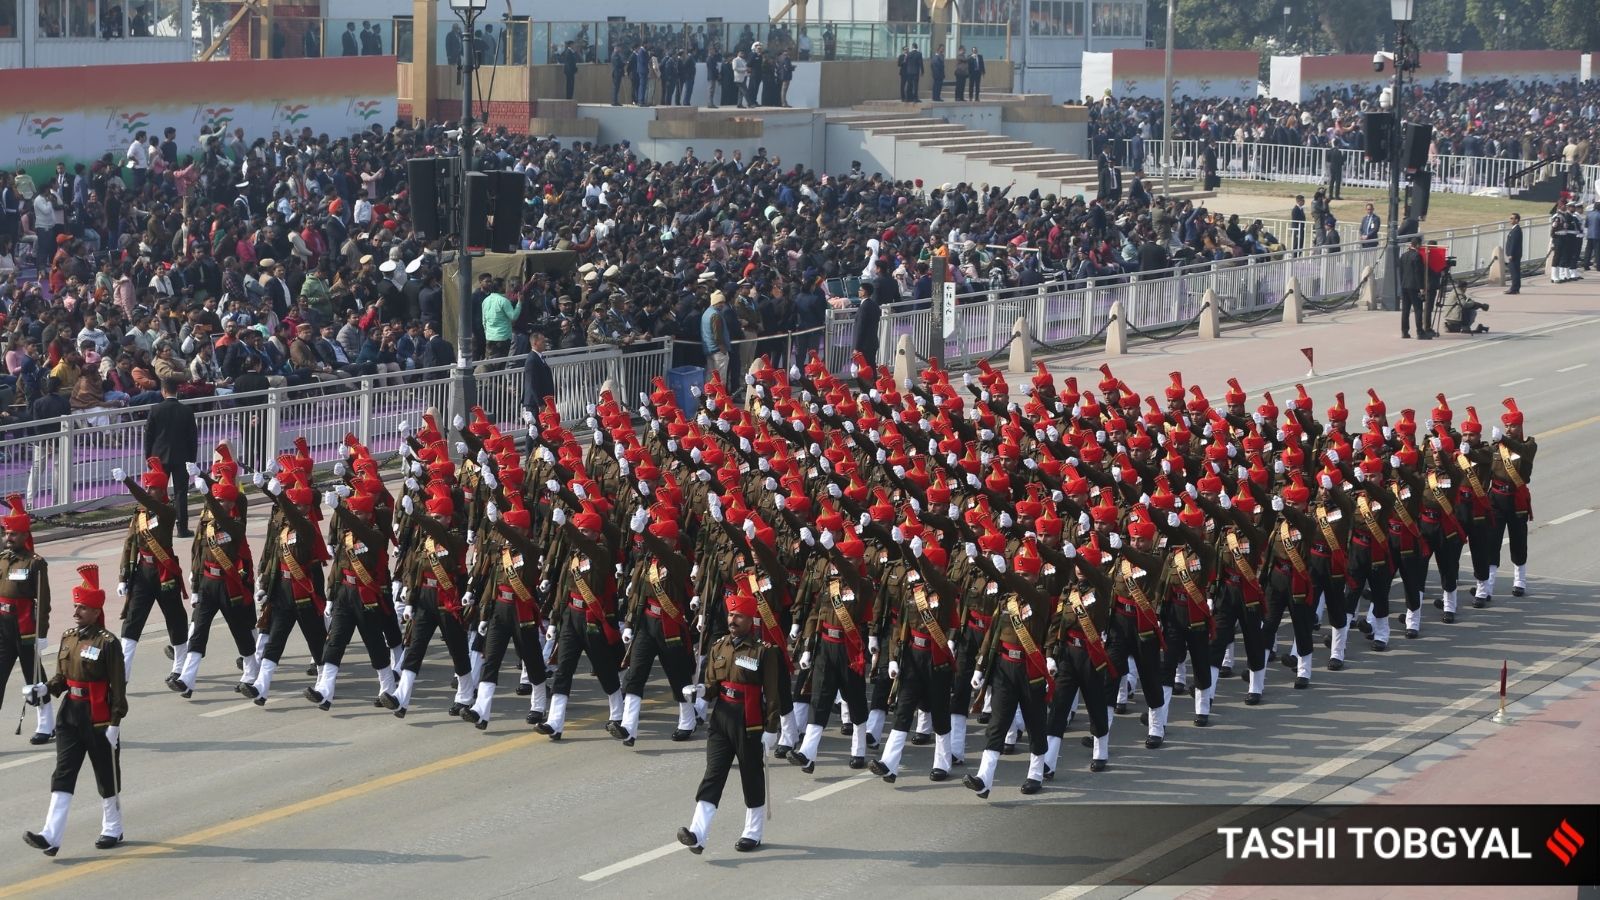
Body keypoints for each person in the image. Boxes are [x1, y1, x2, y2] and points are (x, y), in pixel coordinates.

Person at [23, 565, 127, 856]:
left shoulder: (108, 644)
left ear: (95, 610)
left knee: (106, 775)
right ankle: (51, 836)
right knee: (63, 773)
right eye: (75, 606)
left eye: (82, 607)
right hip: (70, 715)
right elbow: (60, 680)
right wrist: (43, 689)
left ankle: (113, 827)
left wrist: (116, 722)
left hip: (99, 717)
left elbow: (118, 688)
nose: (76, 612)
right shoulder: (69, 637)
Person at [676, 590, 781, 855]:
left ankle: (753, 832)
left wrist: (771, 728)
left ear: (751, 620)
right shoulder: (719, 646)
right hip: (722, 717)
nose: (732, 619)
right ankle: (698, 834)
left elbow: (772, 693)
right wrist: (700, 691)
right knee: (713, 774)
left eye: (739, 616)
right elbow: (713, 686)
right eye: (731, 614)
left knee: (751, 775)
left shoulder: (763, 652)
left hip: (750, 721)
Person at [0, 496, 54, 745]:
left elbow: (43, 603)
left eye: (13, 534)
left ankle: (46, 724)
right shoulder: (2, 559)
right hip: (3, 628)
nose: (8, 538)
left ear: (24, 535)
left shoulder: (35, 563)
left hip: (25, 629)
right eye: (6, 533)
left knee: (34, 679)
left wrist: (42, 634)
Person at [144, 377, 198, 537]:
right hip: (182, 457)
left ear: (163, 391)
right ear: (177, 391)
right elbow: (192, 438)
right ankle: (182, 528)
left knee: (156, 493)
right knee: (181, 493)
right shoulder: (187, 411)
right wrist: (192, 459)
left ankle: (155, 526)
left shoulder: (155, 409)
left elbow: (149, 437)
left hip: (159, 458)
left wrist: (149, 458)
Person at [701, 289, 732, 385]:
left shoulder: (706, 312)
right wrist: (723, 349)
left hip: (709, 349)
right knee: (720, 378)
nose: (723, 305)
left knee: (710, 376)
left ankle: (709, 397)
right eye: (720, 302)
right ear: (715, 302)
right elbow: (717, 335)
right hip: (718, 351)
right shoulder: (715, 315)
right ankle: (720, 397)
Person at [1399, 236, 1427, 339]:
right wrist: (1422, 287)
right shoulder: (1417, 256)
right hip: (1414, 286)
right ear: (1418, 245)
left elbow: (1401, 272)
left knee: (1405, 310)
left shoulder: (1403, 255)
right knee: (1418, 309)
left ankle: (1404, 331)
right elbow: (1418, 273)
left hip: (1404, 285)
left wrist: (1402, 283)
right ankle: (1420, 332)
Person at [521, 330, 554, 415]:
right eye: (542, 341)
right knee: (536, 428)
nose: (545, 343)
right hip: (534, 404)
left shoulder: (539, 357)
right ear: (535, 343)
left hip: (542, 402)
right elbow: (532, 383)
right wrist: (540, 403)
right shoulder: (532, 360)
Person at [852, 282, 882, 370]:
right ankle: (873, 383)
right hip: (872, 342)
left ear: (865, 292)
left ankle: (868, 384)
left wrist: (856, 347)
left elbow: (860, 328)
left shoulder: (864, 307)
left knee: (864, 369)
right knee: (871, 366)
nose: (858, 292)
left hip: (864, 345)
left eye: (860, 290)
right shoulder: (874, 305)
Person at [1503, 212, 1522, 295]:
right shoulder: (1514, 229)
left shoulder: (1516, 230)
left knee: (1514, 272)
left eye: (1512, 218)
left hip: (1514, 255)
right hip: (1514, 254)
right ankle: (1516, 288)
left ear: (1516, 220)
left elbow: (1514, 243)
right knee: (1515, 271)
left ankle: (1514, 288)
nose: (1510, 220)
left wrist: (1511, 254)